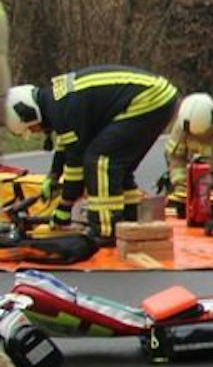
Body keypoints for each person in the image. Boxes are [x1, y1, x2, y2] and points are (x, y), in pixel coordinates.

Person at [0, 0, 92, 367]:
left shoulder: (71, 110)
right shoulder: (53, 111)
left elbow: (81, 163)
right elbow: (64, 166)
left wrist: (64, 208)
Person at [5, 66, 179, 242]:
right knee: (118, 167)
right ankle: (129, 220)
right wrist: (54, 175)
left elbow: (75, 165)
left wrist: (64, 209)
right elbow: (65, 145)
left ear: (28, 115)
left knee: (100, 161)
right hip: (158, 96)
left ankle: (104, 230)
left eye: (31, 128)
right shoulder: (55, 102)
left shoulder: (61, 111)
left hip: (150, 99)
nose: (35, 132)